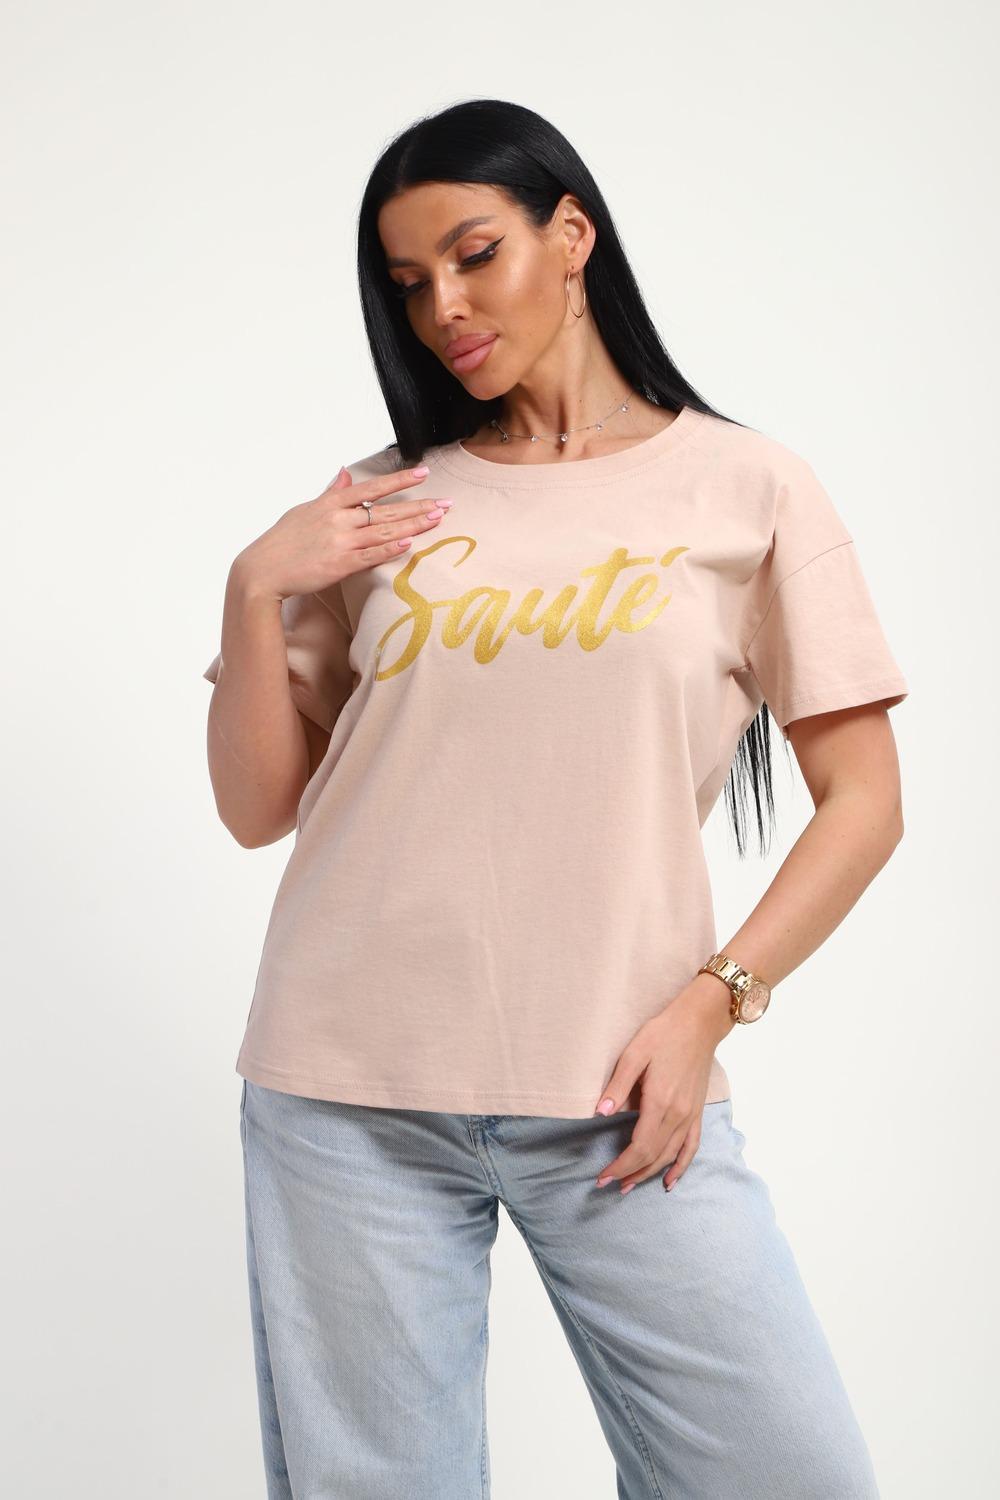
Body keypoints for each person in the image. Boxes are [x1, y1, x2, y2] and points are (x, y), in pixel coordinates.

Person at [202, 99, 907, 1499]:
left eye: (475, 255)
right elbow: (256, 806)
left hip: (622, 1092)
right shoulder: (381, 505)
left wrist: (710, 1005)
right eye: (411, 284)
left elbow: (865, 802)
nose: (445, 310)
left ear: (571, 234)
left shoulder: (748, 486)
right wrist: (254, 584)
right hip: (346, 1090)